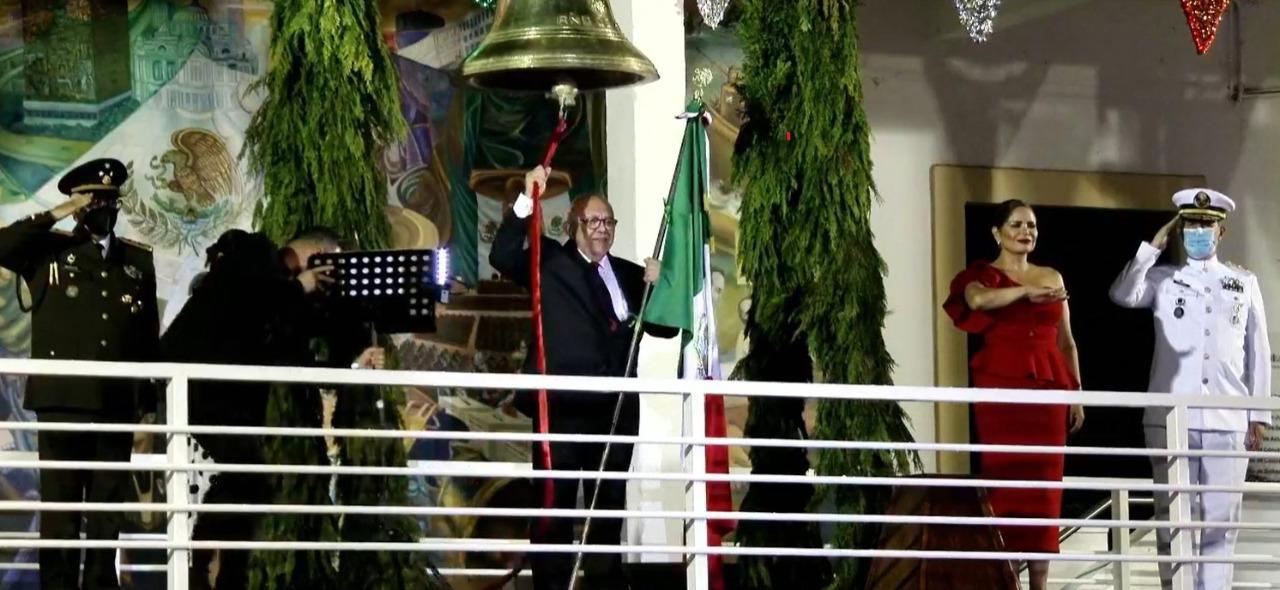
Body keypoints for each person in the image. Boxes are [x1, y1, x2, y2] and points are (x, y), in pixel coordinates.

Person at [161, 227, 384, 589]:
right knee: (242, 482)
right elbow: (249, 297)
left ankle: (224, 575)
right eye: (330, 266)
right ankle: (198, 570)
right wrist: (300, 286)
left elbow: (296, 363)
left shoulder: (285, 299)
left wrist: (354, 366)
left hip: (233, 409)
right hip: (193, 392)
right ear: (316, 255)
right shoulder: (252, 254)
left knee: (247, 486)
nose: (329, 279)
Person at [489, 166, 675, 590]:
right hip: (562, 413)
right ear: (574, 226)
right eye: (593, 221)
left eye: (608, 221)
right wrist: (525, 197)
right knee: (555, 513)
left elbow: (664, 329)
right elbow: (501, 255)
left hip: (615, 416)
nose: (602, 229)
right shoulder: (550, 261)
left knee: (607, 513)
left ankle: (605, 583)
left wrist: (661, 285)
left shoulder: (628, 274)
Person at [0, 158, 160, 589]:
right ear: (78, 203)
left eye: (108, 199)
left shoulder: (137, 262)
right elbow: (2, 245)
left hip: (115, 404)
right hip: (62, 402)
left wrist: (146, 403)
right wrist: (58, 212)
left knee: (108, 510)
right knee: (63, 512)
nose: (101, 207)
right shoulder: (47, 250)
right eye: (92, 199)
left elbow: (147, 338)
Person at [1109, 188, 1270, 590]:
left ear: (1222, 231)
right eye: (1192, 225)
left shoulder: (1242, 283)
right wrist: (1152, 248)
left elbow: (1258, 351)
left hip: (1227, 418)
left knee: (1220, 523)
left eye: (1207, 225)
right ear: (1181, 231)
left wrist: (1259, 415)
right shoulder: (1163, 279)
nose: (1200, 231)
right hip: (1169, 420)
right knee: (1173, 521)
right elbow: (1122, 294)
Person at [942, 199, 1084, 590]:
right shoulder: (982, 275)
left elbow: (1067, 342)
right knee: (1005, 485)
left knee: (1044, 489)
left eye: (1033, 226)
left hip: (1049, 387)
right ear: (997, 232)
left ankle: (1039, 584)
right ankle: (1004, 580)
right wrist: (1024, 293)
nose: (1026, 232)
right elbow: (977, 301)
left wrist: (1077, 392)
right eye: (1017, 224)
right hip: (1002, 385)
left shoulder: (1052, 275)